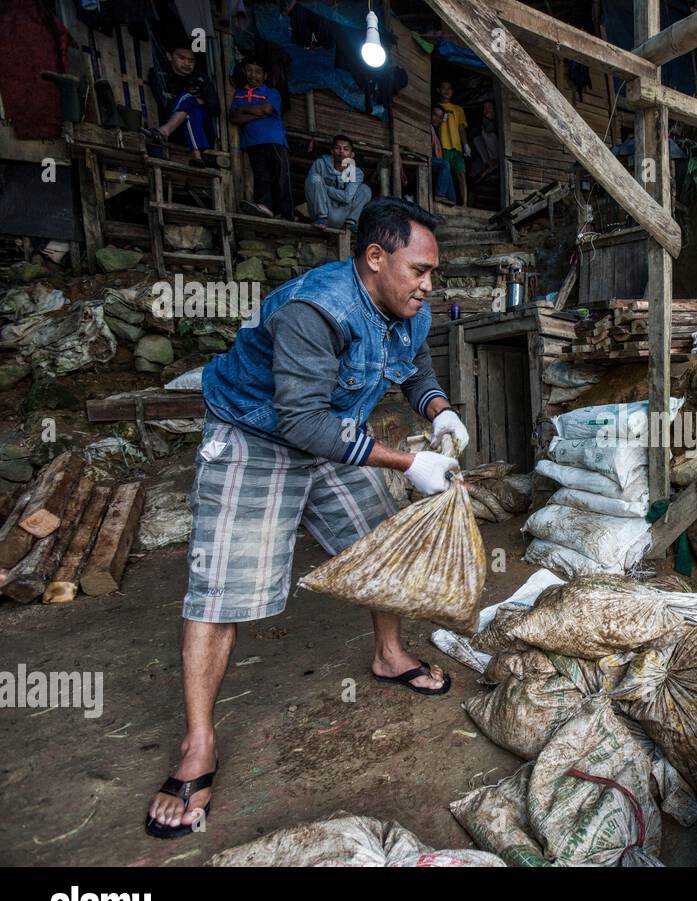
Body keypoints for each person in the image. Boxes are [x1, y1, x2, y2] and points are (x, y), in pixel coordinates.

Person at [144, 198, 472, 839]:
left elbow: (417, 371)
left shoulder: (411, 309)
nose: (429, 285)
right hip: (256, 431)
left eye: (433, 272)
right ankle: (199, 744)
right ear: (375, 258)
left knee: (386, 542)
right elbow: (298, 419)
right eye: (420, 269)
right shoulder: (314, 309)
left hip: (330, 430)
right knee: (221, 589)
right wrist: (406, 462)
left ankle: (388, 653)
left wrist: (439, 411)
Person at [230, 57, 292, 219]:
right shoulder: (239, 93)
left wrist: (245, 110)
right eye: (250, 70)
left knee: (280, 175)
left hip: (274, 140)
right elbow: (234, 118)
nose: (253, 75)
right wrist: (257, 112)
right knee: (261, 176)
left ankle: (286, 213)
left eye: (258, 72)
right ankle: (266, 207)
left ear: (264, 76)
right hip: (252, 142)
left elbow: (267, 110)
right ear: (244, 71)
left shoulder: (272, 92)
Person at [144, 43, 219, 166]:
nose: (187, 63)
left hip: (204, 135)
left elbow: (215, 108)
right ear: (169, 56)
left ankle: (163, 131)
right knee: (189, 104)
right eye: (182, 58)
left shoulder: (201, 79)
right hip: (178, 134)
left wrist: (191, 102)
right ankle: (197, 157)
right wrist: (196, 101)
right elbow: (164, 105)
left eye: (191, 60)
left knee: (189, 101)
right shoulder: (159, 75)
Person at [306, 134, 372, 232]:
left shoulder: (356, 172)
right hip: (322, 213)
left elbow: (347, 197)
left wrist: (325, 188)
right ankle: (321, 218)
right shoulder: (320, 164)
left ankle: (350, 223)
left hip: (343, 215)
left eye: (346, 149)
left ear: (352, 155)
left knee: (365, 189)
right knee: (315, 178)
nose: (341, 152)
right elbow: (312, 187)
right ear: (332, 151)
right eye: (337, 148)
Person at [435, 80, 469, 206]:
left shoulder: (458, 109)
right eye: (443, 88)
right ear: (438, 90)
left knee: (461, 176)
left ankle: (465, 205)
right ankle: (448, 200)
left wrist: (466, 145)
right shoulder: (436, 107)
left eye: (449, 88)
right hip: (443, 146)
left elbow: (461, 128)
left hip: (457, 147)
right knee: (447, 175)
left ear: (452, 92)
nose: (446, 91)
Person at [429, 104, 457, 206]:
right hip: (425, 159)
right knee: (445, 164)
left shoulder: (435, 132)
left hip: (433, 160)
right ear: (430, 114)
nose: (437, 119)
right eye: (435, 115)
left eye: (440, 117)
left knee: (453, 200)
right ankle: (439, 195)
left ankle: (451, 199)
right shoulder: (426, 127)